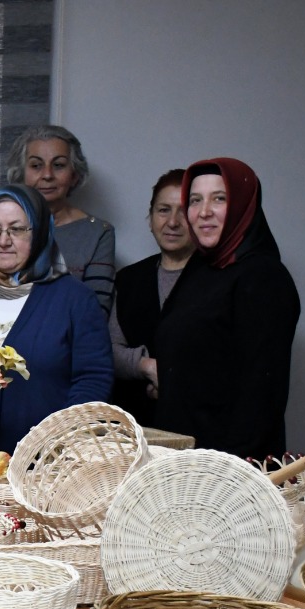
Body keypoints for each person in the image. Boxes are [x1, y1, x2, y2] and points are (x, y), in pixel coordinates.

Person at [0, 184, 112, 456]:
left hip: (45, 464)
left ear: (40, 233)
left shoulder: (75, 300)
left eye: (16, 229)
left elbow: (93, 380)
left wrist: (60, 445)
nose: (3, 240)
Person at [152, 158, 300, 458]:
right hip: (183, 457)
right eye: (195, 200)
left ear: (243, 206)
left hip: (227, 467)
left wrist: (223, 472)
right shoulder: (200, 268)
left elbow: (261, 398)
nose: (204, 211)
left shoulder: (263, 277)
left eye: (219, 199)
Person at [4, 125, 116, 314]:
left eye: (58, 165)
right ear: (21, 174)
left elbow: (96, 311)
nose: (47, 175)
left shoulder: (98, 233)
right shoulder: (0, 229)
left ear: (74, 175)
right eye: (36, 165)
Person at [109, 169, 190, 426]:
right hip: (135, 425)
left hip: (196, 426)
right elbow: (109, 350)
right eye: (164, 210)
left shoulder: (216, 281)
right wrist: (147, 366)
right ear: (150, 217)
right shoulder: (129, 279)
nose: (173, 222)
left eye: (184, 211)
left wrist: (171, 380)